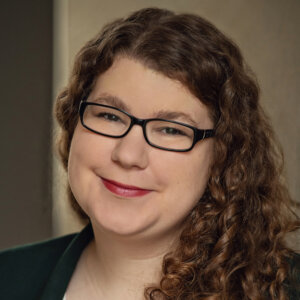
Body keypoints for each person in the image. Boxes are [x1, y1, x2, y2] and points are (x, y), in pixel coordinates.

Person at [0, 7, 299, 300]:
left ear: (222, 157)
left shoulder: (288, 290)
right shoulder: (8, 277)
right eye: (110, 116)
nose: (128, 155)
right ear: (73, 121)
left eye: (171, 130)